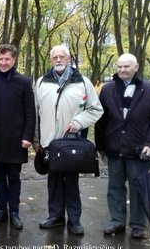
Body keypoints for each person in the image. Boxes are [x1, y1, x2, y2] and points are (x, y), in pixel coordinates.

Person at [33, 44, 103, 235]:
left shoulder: (83, 82)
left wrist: (79, 122)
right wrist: (36, 139)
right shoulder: (41, 82)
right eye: (54, 57)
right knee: (54, 181)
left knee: (71, 182)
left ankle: (74, 220)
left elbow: (96, 109)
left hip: (72, 143)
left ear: (69, 58)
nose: (58, 60)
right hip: (49, 143)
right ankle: (55, 217)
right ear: (50, 60)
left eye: (61, 56)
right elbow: (35, 113)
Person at [95, 53, 150, 239]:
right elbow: (101, 120)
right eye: (119, 67)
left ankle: (138, 225)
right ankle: (117, 221)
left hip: (139, 149)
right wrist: (100, 146)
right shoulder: (108, 89)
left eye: (126, 66)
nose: (122, 70)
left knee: (139, 187)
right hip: (115, 147)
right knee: (115, 186)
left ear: (136, 67)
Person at [0, 44, 35, 229]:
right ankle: (1, 210)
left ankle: (14, 212)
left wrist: (28, 136)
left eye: (7, 59)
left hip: (16, 138)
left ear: (14, 60)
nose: (3, 62)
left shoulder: (24, 82)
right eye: (1, 59)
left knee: (14, 176)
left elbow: (30, 112)